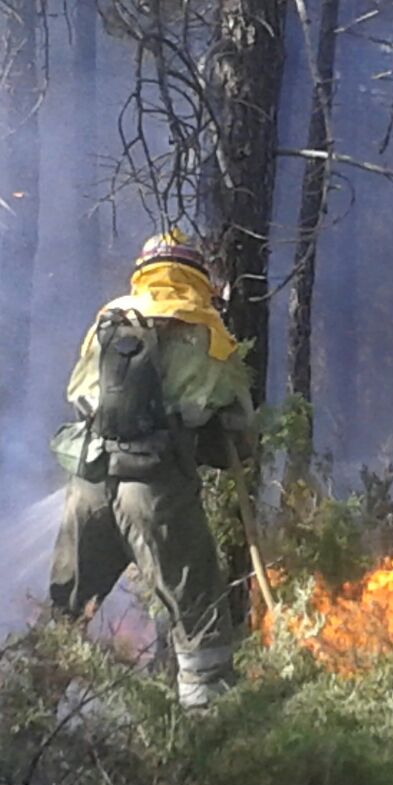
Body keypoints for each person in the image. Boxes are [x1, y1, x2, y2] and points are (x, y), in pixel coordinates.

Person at [47, 229, 255, 708]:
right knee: (198, 618)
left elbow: (78, 395)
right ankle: (212, 737)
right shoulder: (204, 326)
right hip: (156, 493)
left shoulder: (109, 319)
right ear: (195, 274)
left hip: (89, 487)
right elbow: (239, 431)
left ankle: (24, 729)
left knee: (64, 614)